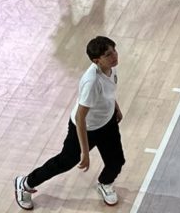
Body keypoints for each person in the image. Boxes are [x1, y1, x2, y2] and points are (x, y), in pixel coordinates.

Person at [14, 36, 126, 210]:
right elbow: (81, 118)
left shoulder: (111, 68)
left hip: (107, 122)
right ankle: (26, 183)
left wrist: (115, 108)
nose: (114, 56)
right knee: (65, 162)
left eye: (114, 51)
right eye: (108, 55)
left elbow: (108, 92)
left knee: (116, 161)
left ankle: (105, 183)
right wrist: (85, 153)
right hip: (85, 127)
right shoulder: (91, 82)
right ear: (96, 60)